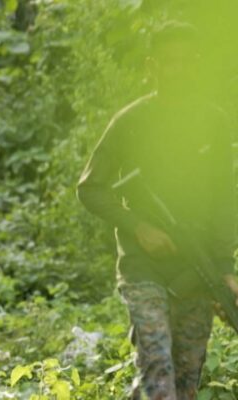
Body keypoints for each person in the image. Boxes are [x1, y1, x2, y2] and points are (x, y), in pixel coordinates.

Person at [77, 23, 237, 399]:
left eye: (186, 62)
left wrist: (225, 269)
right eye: (169, 62)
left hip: (197, 268)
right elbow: (90, 189)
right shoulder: (131, 122)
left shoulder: (214, 122)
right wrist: (138, 227)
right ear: (152, 65)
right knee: (158, 370)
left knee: (186, 380)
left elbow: (225, 199)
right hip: (143, 267)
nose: (178, 70)